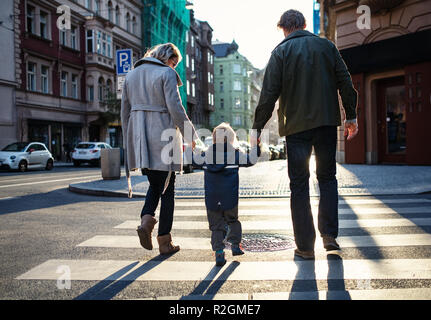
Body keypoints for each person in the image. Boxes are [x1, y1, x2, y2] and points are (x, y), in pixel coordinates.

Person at [252, 10, 359, 260]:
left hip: (296, 127)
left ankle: (305, 247)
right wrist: (351, 115)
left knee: (299, 184)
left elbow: (268, 94)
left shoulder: (280, 52)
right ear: (304, 24)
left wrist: (257, 127)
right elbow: (345, 81)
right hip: (325, 123)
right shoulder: (326, 46)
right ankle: (330, 236)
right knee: (327, 178)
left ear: (284, 28)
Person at [121, 43, 198, 255]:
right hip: (163, 136)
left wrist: (130, 142)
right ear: (166, 58)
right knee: (168, 189)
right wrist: (190, 134)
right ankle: (164, 240)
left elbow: (124, 112)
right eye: (174, 63)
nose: (174, 67)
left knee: (156, 184)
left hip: (140, 138)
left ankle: (146, 221)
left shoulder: (131, 75)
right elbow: (176, 107)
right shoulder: (166, 73)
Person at [194, 123, 261, 266]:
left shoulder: (206, 155)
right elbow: (251, 160)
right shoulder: (236, 153)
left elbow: (194, 161)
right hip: (230, 197)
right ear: (231, 139)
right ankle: (235, 245)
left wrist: (191, 147)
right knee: (233, 221)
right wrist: (255, 146)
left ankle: (219, 253)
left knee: (216, 226)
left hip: (212, 198)